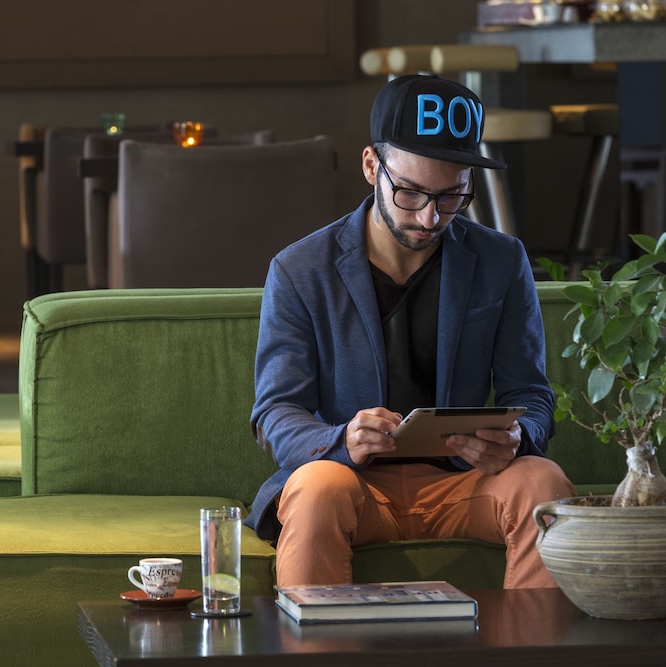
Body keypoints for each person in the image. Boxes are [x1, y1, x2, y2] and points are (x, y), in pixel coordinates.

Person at [245, 74, 576, 589]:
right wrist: (340, 439)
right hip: (349, 482)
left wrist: (516, 437)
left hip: (465, 484)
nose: (429, 217)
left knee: (544, 483)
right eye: (410, 192)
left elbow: (530, 394)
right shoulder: (299, 269)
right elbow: (275, 410)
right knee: (315, 488)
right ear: (371, 166)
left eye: (451, 197)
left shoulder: (500, 261)